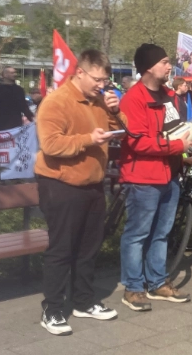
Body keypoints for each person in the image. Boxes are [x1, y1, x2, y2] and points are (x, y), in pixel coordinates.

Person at [35, 50, 125, 336]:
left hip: (92, 183)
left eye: (105, 80)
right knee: (62, 249)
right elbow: (51, 145)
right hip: (61, 184)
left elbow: (123, 131)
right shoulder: (56, 102)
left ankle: (84, 302)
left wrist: (114, 110)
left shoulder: (99, 100)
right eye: (97, 79)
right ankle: (51, 309)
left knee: (89, 247)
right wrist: (88, 140)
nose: (101, 85)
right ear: (80, 73)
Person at [119, 44, 192, 312]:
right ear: (149, 67)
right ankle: (133, 287)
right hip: (142, 178)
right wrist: (178, 148)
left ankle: (157, 282)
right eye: (164, 61)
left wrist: (185, 152)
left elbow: (174, 131)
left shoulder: (168, 96)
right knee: (137, 234)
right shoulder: (132, 99)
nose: (169, 65)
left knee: (161, 233)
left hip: (169, 175)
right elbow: (139, 143)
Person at [0, 66, 34, 131]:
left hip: (16, 126)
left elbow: (24, 107)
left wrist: (32, 119)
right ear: (5, 75)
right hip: (1, 126)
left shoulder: (19, 90)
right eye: (12, 73)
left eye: (15, 73)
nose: (14, 74)